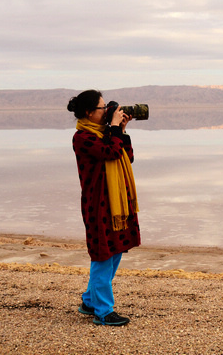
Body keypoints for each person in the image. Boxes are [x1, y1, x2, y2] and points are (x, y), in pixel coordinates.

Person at [67, 89, 141, 326]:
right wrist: (116, 130)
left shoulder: (106, 133)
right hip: (98, 205)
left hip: (115, 203)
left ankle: (90, 301)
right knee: (102, 256)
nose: (107, 110)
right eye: (102, 107)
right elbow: (109, 152)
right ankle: (103, 311)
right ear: (89, 113)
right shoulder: (82, 137)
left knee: (115, 251)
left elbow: (125, 156)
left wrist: (122, 130)